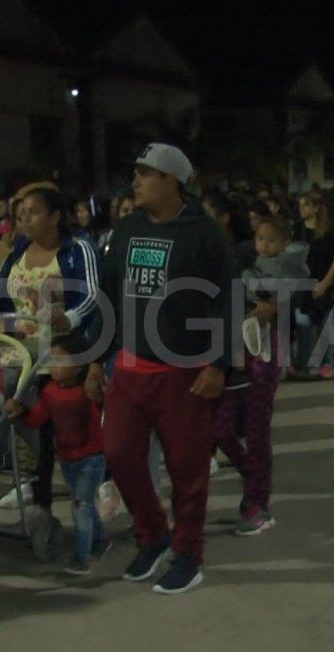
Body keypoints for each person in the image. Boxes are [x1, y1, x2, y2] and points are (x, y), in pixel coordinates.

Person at [87, 143, 234, 595]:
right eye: (136, 172)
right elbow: (108, 297)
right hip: (130, 368)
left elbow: (227, 299)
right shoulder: (127, 229)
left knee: (187, 470)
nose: (136, 181)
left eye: (145, 173)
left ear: (172, 181)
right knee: (120, 455)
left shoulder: (204, 234)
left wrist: (219, 364)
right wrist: (95, 359)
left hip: (185, 373)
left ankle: (188, 555)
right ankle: (152, 537)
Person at [0, 186, 100, 518]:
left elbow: (92, 294)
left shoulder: (78, 249)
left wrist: (71, 317)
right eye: (20, 215)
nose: (24, 221)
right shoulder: (18, 248)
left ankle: (60, 496)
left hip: (59, 359)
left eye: (32, 213)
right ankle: (37, 489)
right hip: (18, 356)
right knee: (24, 425)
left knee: (56, 432)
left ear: (55, 215)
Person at [217, 215, 303, 536]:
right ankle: (254, 478)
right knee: (222, 429)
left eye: (271, 239)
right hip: (235, 352)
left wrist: (278, 305)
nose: (264, 244)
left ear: (285, 243)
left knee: (256, 429)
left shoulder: (290, 267)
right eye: (260, 238)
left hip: (266, 352)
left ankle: (257, 504)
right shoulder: (241, 262)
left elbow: (301, 291)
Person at [5, 332, 110, 576]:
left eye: (60, 360)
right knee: (83, 503)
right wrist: (19, 410)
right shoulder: (50, 391)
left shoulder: (89, 392)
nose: (52, 365)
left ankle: (81, 559)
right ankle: (101, 540)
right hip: (68, 459)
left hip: (91, 459)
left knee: (79, 506)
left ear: (79, 365)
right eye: (51, 359)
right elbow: (38, 418)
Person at [294, 191, 334, 378]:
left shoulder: (329, 230)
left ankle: (326, 363)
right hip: (303, 284)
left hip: (326, 283)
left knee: (326, 325)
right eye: (300, 205)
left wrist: (325, 283)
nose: (302, 209)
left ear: (316, 207)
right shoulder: (297, 229)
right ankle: (301, 364)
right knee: (303, 325)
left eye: (306, 205)